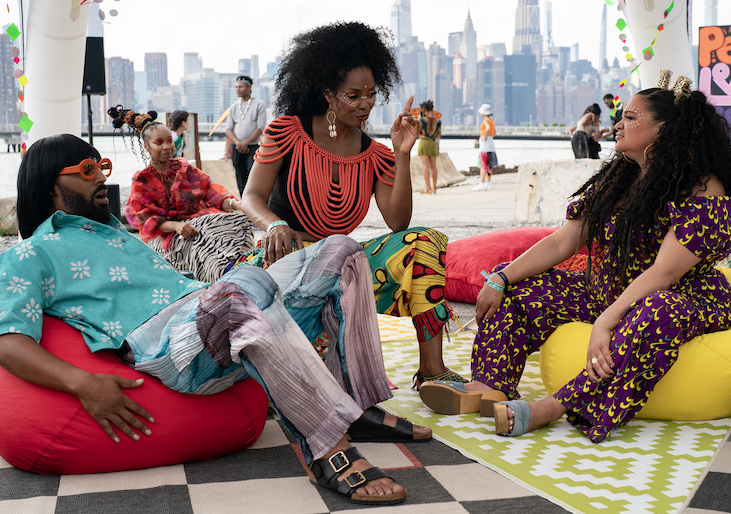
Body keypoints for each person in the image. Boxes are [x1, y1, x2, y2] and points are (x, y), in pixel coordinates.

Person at [0, 133, 431, 505]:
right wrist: (81, 382)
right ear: (50, 182)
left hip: (212, 314)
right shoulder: (30, 253)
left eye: (104, 165)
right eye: (89, 167)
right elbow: (7, 339)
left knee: (340, 250)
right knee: (242, 283)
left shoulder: (116, 233)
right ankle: (326, 450)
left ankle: (354, 406)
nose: (101, 177)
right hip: (167, 349)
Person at [419, 70, 731, 443]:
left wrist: (606, 322)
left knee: (656, 310)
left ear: (663, 130)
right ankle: (489, 386)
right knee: (515, 286)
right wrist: (501, 279)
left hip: (680, 299)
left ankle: (554, 406)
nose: (618, 124)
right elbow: (563, 243)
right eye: (621, 115)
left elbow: (663, 274)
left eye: (630, 117)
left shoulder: (703, 190)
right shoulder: (622, 177)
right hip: (610, 291)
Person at [236, 21, 466, 389]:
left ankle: (432, 371)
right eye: (353, 95)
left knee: (422, 242)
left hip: (343, 268)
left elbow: (398, 222)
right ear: (328, 94)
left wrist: (402, 155)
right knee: (320, 382)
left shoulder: (375, 154)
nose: (365, 105)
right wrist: (274, 225)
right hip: (286, 259)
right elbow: (250, 197)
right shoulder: (287, 131)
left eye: (371, 94)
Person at [114, 109, 254, 283]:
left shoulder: (185, 169)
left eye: (169, 141)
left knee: (239, 222)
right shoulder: (142, 181)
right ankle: (226, 278)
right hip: (165, 237)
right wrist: (175, 226)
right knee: (201, 245)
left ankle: (244, 267)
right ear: (147, 146)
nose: (166, 147)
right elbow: (143, 219)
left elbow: (212, 194)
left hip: (199, 224)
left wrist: (237, 205)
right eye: (158, 143)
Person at [224, 75, 267, 196]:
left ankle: (255, 202)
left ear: (249, 87)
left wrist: (246, 143)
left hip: (253, 147)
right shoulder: (233, 107)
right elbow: (228, 130)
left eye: (241, 86)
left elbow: (260, 128)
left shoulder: (259, 104)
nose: (238, 89)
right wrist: (239, 144)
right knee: (240, 176)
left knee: (253, 175)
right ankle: (244, 203)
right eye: (236, 87)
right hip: (237, 148)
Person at [417, 99, 441, 194]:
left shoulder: (422, 120)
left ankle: (428, 188)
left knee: (425, 166)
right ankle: (434, 188)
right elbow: (438, 135)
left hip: (423, 142)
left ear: (425, 110)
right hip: (433, 143)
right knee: (433, 167)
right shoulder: (438, 121)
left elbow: (417, 132)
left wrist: (419, 118)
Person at [473, 103, 497, 191]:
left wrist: (484, 136)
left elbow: (487, 129)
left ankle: (482, 183)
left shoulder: (486, 121)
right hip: (491, 143)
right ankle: (488, 182)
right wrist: (489, 136)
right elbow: (494, 132)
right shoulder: (492, 121)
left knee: (483, 164)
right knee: (489, 164)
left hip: (485, 144)